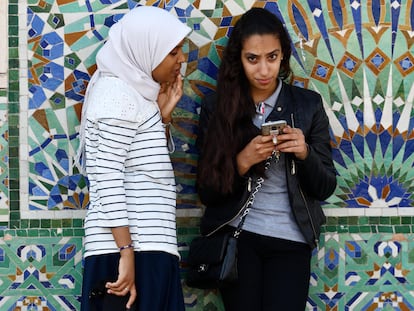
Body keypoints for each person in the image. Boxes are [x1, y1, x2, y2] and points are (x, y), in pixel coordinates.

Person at [195, 7, 337, 311]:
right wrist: (242, 162)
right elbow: (206, 191)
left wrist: (304, 153)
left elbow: (325, 186)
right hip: (238, 239)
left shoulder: (308, 106)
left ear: (283, 55)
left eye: (272, 57)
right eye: (253, 59)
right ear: (239, 59)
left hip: (292, 240)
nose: (263, 70)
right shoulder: (218, 107)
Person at [77, 6, 191, 311]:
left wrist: (161, 116)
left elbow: (140, 166)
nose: (181, 59)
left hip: (148, 249)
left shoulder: (135, 95)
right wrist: (126, 252)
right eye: (173, 51)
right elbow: (107, 176)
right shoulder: (116, 94)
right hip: (128, 253)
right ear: (146, 50)